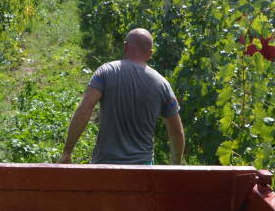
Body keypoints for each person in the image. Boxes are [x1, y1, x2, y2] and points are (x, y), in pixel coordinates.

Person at [58, 28, 185, 165]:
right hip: (142, 169)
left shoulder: (106, 72)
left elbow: (84, 111)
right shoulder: (162, 84)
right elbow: (176, 132)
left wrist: (67, 152)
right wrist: (175, 164)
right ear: (150, 54)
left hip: (105, 166)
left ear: (125, 47)